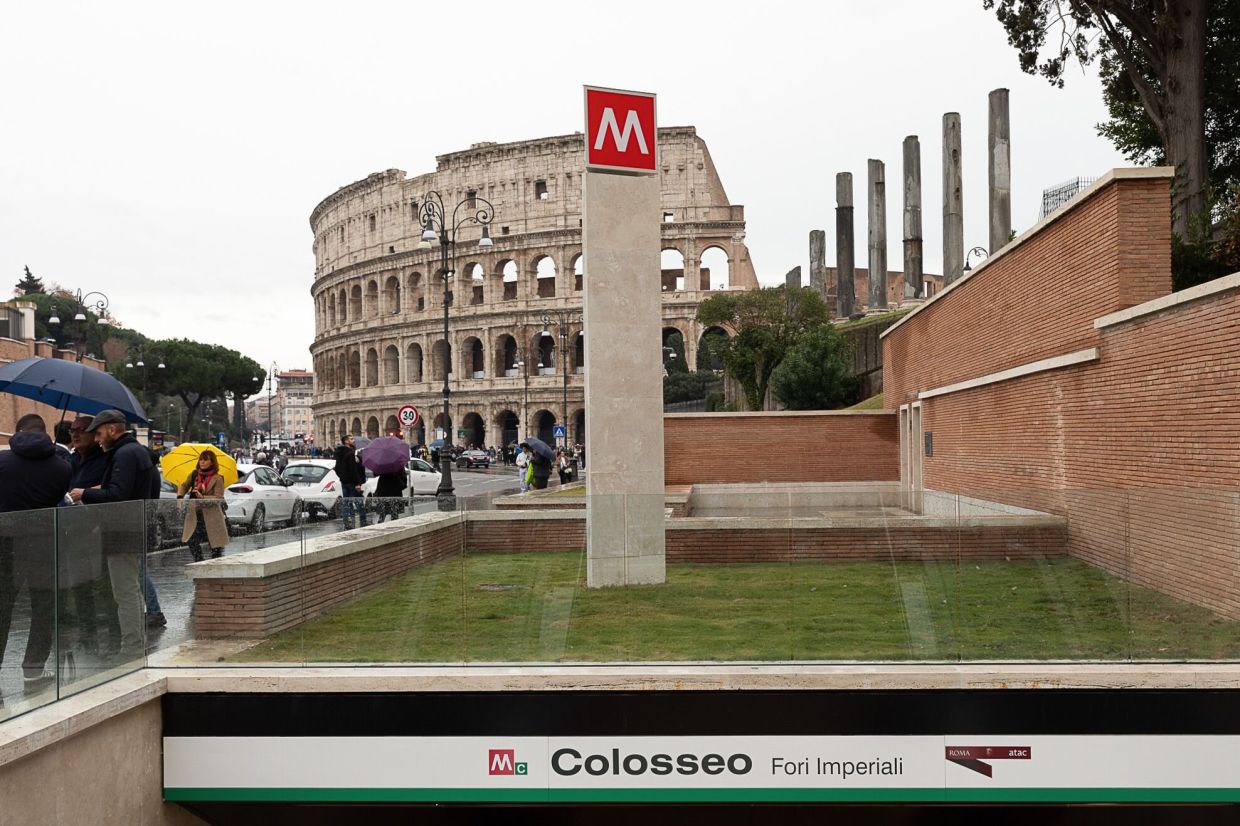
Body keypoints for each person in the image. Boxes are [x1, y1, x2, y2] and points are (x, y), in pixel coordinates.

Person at [70, 410, 162, 654]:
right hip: (134, 528)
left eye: (99, 434)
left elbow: (118, 496)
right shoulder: (137, 452)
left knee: (125, 592)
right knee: (128, 588)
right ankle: (132, 644)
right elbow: (130, 489)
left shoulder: (123, 454)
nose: (98, 439)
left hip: (123, 531)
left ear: (112, 430)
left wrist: (85, 493)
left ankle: (131, 647)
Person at [0, 414, 73, 690]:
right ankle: (33, 672)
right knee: (43, 609)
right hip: (44, 544)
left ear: (18, 432)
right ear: (45, 433)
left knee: (2, 610)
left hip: (4, 543)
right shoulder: (62, 468)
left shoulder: (2, 462)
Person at [177, 450, 229, 562]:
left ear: (212, 462)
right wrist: (180, 496)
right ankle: (199, 561)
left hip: (212, 516)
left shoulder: (218, 478)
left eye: (205, 460)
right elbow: (184, 486)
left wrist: (203, 498)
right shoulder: (194, 474)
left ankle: (214, 568)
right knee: (191, 539)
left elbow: (219, 498)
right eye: (201, 459)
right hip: (195, 514)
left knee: (215, 546)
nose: (202, 462)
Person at [334, 434, 366, 529]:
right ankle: (363, 522)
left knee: (346, 504)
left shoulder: (339, 453)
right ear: (346, 441)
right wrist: (357, 483)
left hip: (344, 482)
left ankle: (347, 523)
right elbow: (353, 470)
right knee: (359, 503)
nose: (353, 440)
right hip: (353, 483)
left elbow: (337, 469)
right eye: (351, 439)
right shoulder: (350, 454)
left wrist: (343, 477)